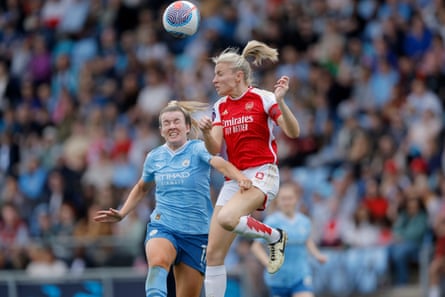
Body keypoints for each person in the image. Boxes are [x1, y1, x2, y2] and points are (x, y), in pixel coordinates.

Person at [94, 101, 253, 297]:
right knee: (158, 260)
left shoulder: (198, 149)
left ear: (187, 127)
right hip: (164, 226)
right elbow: (142, 187)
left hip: (197, 234)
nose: (172, 126)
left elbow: (219, 162)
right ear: (161, 130)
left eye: (176, 121)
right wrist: (122, 213)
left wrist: (240, 178)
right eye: (166, 123)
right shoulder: (154, 157)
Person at [198, 40, 301, 297]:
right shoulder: (220, 107)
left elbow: (293, 132)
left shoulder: (264, 98)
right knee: (213, 254)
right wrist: (207, 133)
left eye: (219, 74)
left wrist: (282, 102)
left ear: (238, 75)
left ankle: (275, 236)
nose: (214, 80)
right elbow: (214, 149)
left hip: (262, 172)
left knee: (227, 218)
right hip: (236, 178)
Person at [251, 182, 327, 297]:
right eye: (283, 199)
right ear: (278, 201)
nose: (287, 202)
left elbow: (307, 240)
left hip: (300, 274)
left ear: (296, 199)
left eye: (290, 198)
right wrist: (268, 263)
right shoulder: (271, 222)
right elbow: (256, 247)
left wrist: (317, 255)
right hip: (278, 278)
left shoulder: (304, 221)